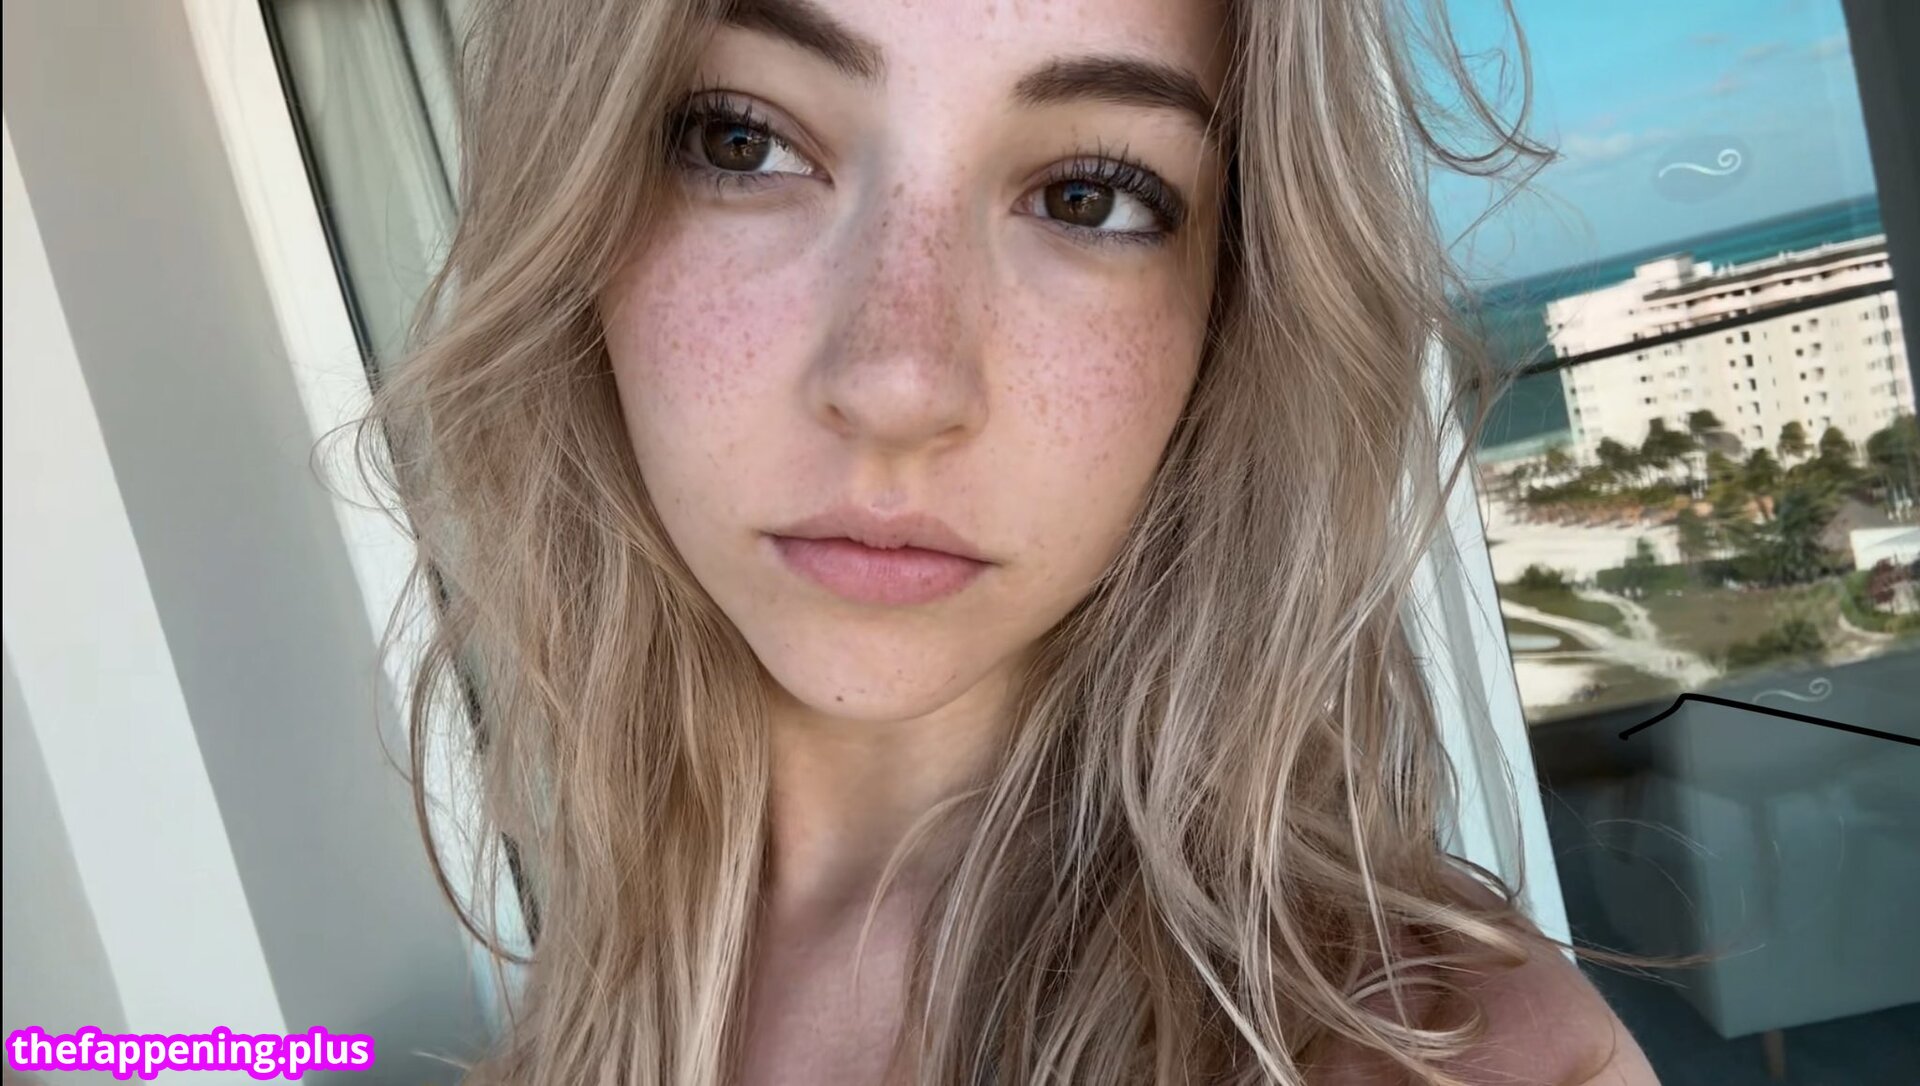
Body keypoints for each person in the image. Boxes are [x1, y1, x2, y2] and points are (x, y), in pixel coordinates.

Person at [361, 0, 1659, 1082]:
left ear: (1227, 315)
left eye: (1089, 198)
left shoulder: (1445, 1055)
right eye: (742, 141)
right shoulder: (582, 1014)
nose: (898, 381)